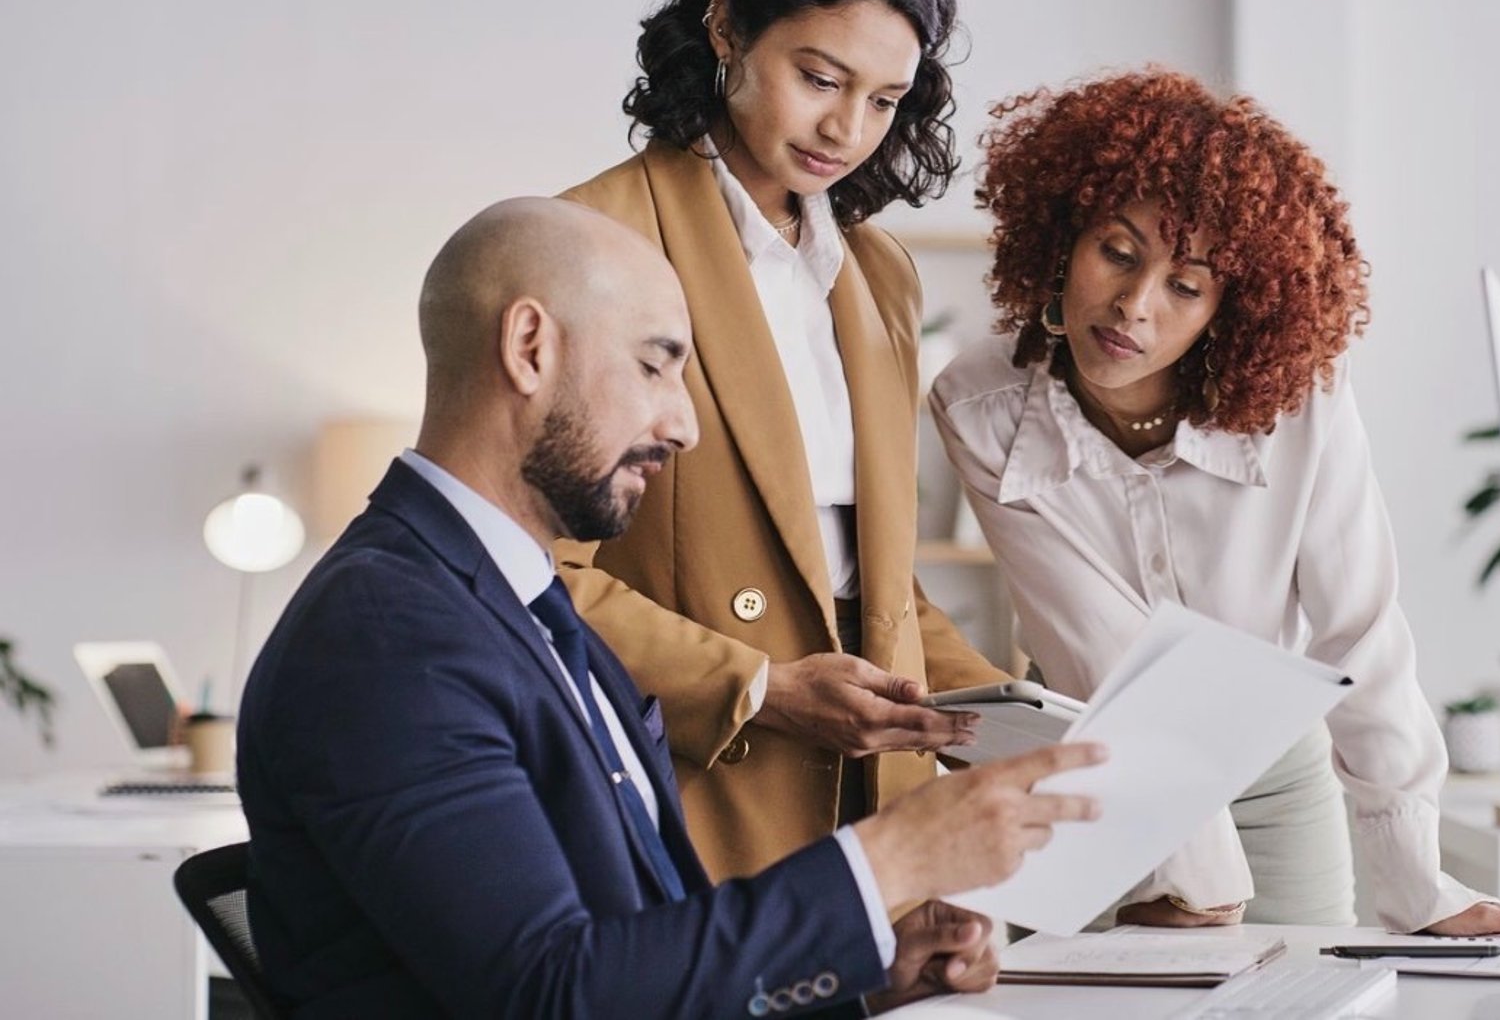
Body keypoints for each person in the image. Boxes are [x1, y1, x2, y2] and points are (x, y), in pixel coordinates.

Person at [237, 197, 1105, 1018]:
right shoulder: (387, 635)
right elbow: (552, 995)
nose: (685, 426)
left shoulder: (517, 601)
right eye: (655, 364)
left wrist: (865, 978)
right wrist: (890, 861)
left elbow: (637, 964)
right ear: (530, 346)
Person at [929, 69, 1500, 937]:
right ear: (1064, 235)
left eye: (1186, 285)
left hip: (1277, 774)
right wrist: (1187, 872)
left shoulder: (1303, 401)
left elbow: (1359, 630)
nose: (1134, 306)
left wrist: (1416, 882)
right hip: (1091, 762)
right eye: (1118, 251)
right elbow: (1092, 641)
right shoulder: (980, 404)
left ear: (1231, 306)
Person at [552, 0, 1008, 882]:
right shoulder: (596, 245)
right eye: (819, 76)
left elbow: (869, 582)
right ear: (725, 25)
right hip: (694, 785)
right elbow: (532, 573)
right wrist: (756, 686)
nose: (847, 128)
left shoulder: (879, 274)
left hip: (874, 795)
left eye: (884, 100)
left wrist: (1020, 721)